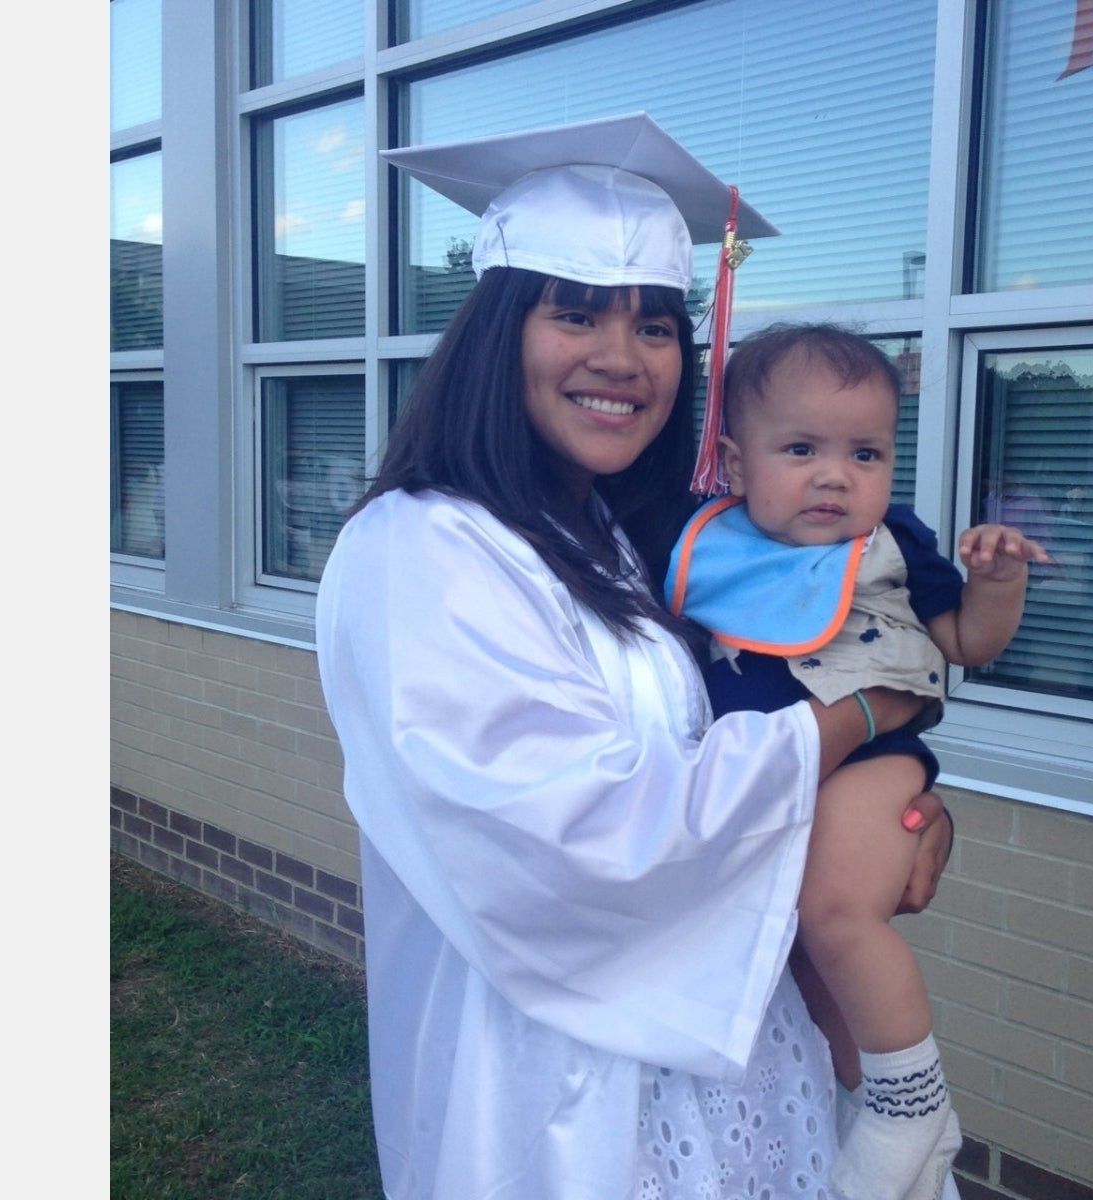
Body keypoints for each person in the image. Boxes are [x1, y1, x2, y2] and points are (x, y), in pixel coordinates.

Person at [314, 114, 955, 1200]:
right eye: (575, 314)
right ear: (498, 334)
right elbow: (582, 838)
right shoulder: (419, 549)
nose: (622, 358)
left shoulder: (625, 537)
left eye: (656, 326)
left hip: (729, 1062)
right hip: (555, 1093)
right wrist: (864, 715)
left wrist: (879, 819)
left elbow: (726, 720)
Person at [665, 323, 1050, 1200]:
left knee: (834, 913)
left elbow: (963, 644)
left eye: (866, 453)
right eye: (801, 448)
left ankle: (909, 1100)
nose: (836, 474)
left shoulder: (895, 544)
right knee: (801, 955)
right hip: (767, 788)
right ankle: (873, 1103)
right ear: (734, 462)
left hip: (869, 764)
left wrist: (997, 586)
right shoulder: (706, 545)